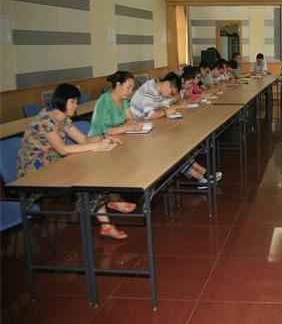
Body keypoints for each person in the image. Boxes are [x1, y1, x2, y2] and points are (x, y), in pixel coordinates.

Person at [16, 83, 128, 240]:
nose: (75, 106)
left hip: (54, 166)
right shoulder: (45, 121)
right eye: (72, 102)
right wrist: (96, 146)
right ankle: (108, 207)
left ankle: (107, 214)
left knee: (92, 170)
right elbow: (63, 150)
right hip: (36, 174)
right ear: (61, 101)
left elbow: (83, 139)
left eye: (76, 101)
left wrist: (105, 137)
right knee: (86, 178)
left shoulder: (63, 118)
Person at [130, 72, 222, 189]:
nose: (170, 96)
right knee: (171, 150)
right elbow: (149, 114)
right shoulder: (149, 90)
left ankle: (204, 173)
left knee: (177, 147)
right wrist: (164, 112)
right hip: (136, 134)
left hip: (149, 128)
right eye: (171, 93)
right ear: (167, 85)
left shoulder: (159, 89)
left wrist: (164, 110)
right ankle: (201, 177)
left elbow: (165, 106)